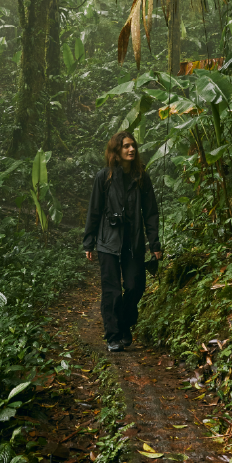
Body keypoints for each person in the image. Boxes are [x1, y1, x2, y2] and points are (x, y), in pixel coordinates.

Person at [82, 131, 162, 352]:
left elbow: (151, 212)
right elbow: (94, 211)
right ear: (116, 151)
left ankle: (125, 323)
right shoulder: (104, 177)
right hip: (108, 242)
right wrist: (88, 242)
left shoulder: (141, 176)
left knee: (135, 286)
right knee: (112, 290)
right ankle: (114, 335)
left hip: (132, 242)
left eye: (133, 145)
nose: (131, 149)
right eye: (126, 146)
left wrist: (154, 244)